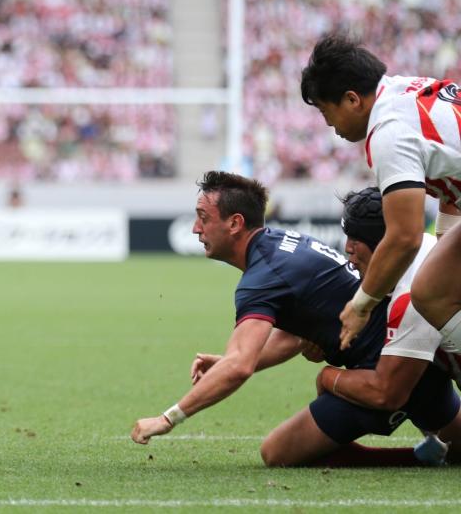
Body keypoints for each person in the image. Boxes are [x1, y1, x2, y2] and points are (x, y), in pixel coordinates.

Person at [130, 171, 460, 466]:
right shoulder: (284, 245)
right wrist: (229, 360)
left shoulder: (262, 277)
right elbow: (293, 336)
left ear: (235, 223)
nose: (195, 227)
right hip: (420, 364)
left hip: (383, 371)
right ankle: (434, 452)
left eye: (203, 217)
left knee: (277, 452)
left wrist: (167, 418)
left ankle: (418, 458)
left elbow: (240, 365)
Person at [299, 33, 461, 352]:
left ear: (352, 99)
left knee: (431, 292)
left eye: (324, 111)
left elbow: (404, 237)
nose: (329, 125)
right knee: (434, 288)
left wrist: (361, 305)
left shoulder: (388, 131)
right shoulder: (405, 89)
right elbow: (451, 170)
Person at [315, 186, 461, 462]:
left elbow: (386, 393)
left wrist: (327, 376)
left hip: (410, 385)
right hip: (439, 382)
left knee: (279, 451)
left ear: (383, 244)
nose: (347, 249)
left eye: (355, 239)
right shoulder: (429, 248)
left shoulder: (414, 296)